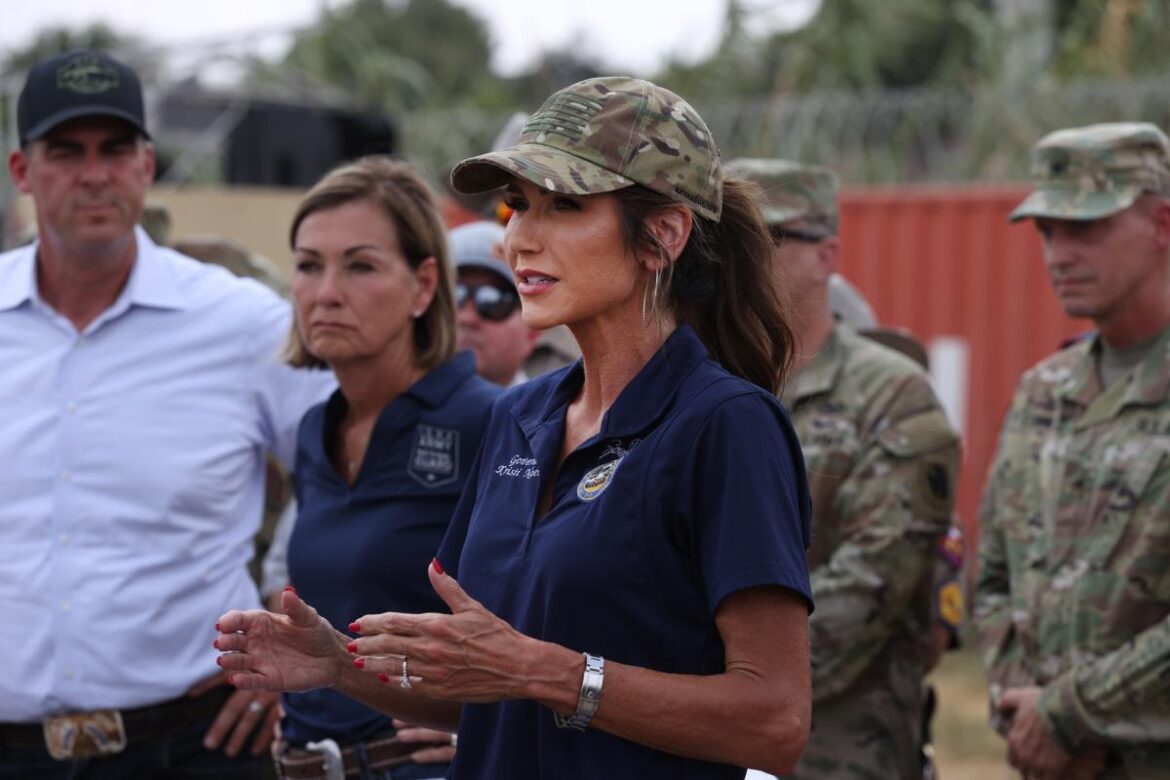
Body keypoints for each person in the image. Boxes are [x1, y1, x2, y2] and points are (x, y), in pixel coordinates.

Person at [216, 75, 814, 779]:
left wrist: (543, 671)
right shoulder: (519, 416)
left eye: (564, 205)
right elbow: (484, 689)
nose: (518, 238)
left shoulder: (726, 425)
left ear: (664, 235)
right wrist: (337, 666)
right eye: (519, 206)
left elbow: (775, 722)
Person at [0, 49, 334, 777]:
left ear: (147, 164)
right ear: (22, 170)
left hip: (194, 746)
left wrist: (306, 649)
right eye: (67, 151)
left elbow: (348, 475)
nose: (95, 173)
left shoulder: (240, 322)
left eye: (116, 149)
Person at [727, 158, 960, 780]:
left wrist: (715, 679)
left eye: (769, 238)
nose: (739, 256)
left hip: (839, 751)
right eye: (725, 237)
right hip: (702, 743)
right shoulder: (697, 382)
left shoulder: (891, 394)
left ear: (826, 256)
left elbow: (872, 583)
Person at [271, 156, 499, 779]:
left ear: (424, 286)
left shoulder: (492, 421)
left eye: (360, 266)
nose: (326, 292)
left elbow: (552, 627)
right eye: (308, 265)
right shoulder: (315, 430)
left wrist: (489, 726)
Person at [973, 122, 1170, 780]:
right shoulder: (1045, 391)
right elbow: (993, 576)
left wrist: (1069, 713)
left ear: (1162, 225)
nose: (1058, 254)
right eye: (1048, 231)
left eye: (1085, 228)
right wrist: (1027, 714)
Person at [449, 220, 540, 386]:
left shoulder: (560, 402)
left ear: (532, 333)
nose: (466, 318)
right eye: (452, 295)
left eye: (493, 301)